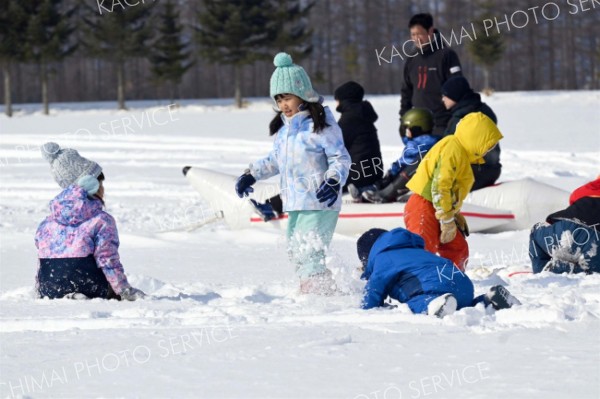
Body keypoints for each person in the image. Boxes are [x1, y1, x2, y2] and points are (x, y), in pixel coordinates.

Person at [235, 53, 351, 294]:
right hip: (296, 201)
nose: (283, 104)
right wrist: (252, 174)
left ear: (303, 94)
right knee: (297, 250)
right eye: (278, 99)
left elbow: (340, 157)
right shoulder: (285, 132)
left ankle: (318, 293)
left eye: (287, 97)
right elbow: (275, 160)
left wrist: (333, 180)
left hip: (320, 200)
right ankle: (320, 290)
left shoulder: (321, 126)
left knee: (310, 251)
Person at [36, 142, 145, 300]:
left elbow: (41, 261)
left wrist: (40, 290)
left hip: (49, 289)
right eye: (100, 183)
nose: (103, 189)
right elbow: (107, 259)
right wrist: (124, 291)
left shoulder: (46, 223)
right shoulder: (101, 221)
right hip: (91, 286)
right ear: (91, 185)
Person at [404, 112, 503, 271]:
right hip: (424, 204)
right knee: (423, 247)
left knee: (457, 248)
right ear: (475, 138)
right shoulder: (452, 148)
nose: (488, 151)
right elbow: (440, 185)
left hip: (441, 209)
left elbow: (451, 190)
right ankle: (416, 282)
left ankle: (454, 280)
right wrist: (446, 219)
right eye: (487, 145)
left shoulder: (463, 156)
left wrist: (453, 213)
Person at [357, 228, 520, 316]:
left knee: (415, 303)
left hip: (434, 289)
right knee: (462, 307)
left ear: (367, 256)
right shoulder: (413, 249)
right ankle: (489, 300)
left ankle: (433, 304)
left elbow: (374, 288)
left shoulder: (383, 258)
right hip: (462, 282)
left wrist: (366, 309)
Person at [400, 13, 463, 136]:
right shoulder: (411, 59)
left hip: (443, 125)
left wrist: (454, 122)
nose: (416, 38)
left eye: (420, 34)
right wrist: (404, 121)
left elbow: (458, 90)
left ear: (430, 31)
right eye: (413, 35)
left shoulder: (447, 55)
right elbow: (406, 92)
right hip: (418, 126)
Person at [362, 108, 440, 203]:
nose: (406, 133)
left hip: (417, 181)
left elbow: (405, 163)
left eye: (407, 129)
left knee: (403, 170)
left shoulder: (419, 144)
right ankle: (374, 189)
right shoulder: (431, 141)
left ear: (416, 128)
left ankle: (384, 193)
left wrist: (390, 175)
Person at [441, 76, 502, 190]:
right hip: (492, 169)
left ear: (455, 95)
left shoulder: (463, 117)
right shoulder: (481, 109)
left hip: (475, 172)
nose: (443, 99)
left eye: (445, 95)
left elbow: (448, 149)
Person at [529, 177, 600, 274]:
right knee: (592, 270)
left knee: (535, 235)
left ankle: (541, 271)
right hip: (595, 240)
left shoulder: (590, 188)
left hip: (566, 226)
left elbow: (573, 198)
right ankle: (572, 268)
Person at [334, 81, 384, 201]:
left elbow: (334, 146)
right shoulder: (363, 115)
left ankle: (359, 189)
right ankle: (365, 188)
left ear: (344, 99)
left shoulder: (349, 119)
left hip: (359, 174)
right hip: (374, 171)